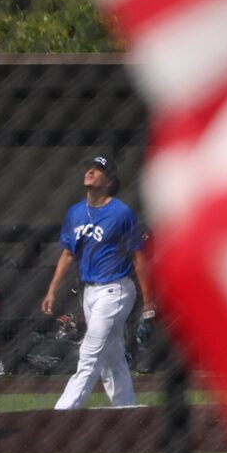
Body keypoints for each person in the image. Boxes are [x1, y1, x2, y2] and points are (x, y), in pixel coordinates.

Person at [40, 154, 155, 410]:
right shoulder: (75, 213)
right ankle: (127, 410)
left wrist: (148, 302)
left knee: (90, 352)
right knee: (112, 357)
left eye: (98, 169)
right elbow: (68, 253)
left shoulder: (122, 213)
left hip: (116, 290)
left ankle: (63, 411)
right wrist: (51, 290)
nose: (90, 172)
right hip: (89, 293)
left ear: (110, 181)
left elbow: (139, 257)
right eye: (89, 167)